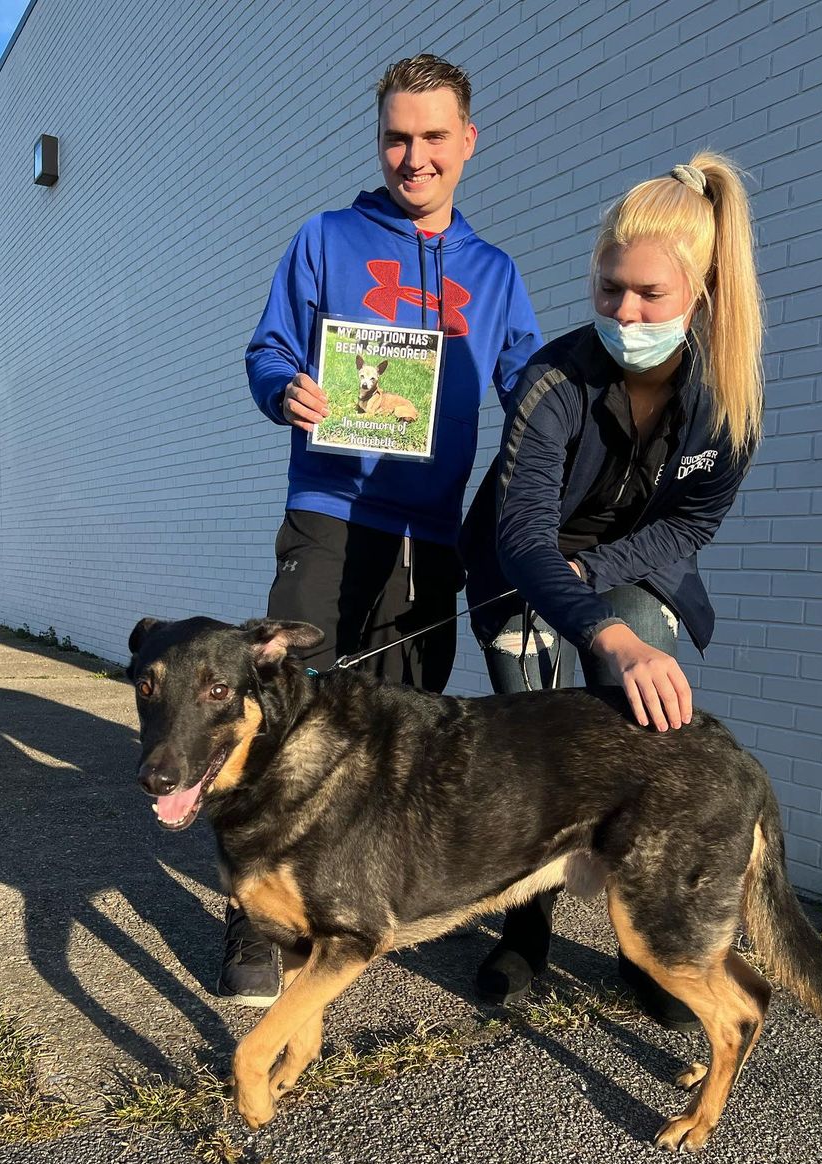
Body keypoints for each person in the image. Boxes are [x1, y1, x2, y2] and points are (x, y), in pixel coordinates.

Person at [223, 53, 543, 1004]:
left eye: (434, 137)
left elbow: (531, 390)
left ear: (468, 142)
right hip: (330, 511)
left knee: (403, 717)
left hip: (431, 533)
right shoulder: (325, 240)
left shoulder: (493, 273)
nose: (415, 157)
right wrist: (286, 387)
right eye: (397, 137)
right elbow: (268, 345)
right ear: (381, 139)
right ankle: (251, 916)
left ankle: (358, 905)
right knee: (288, 703)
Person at [460, 152, 764, 1021]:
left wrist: (605, 592)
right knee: (532, 741)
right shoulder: (552, 382)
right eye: (607, 289)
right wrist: (591, 618)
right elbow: (522, 535)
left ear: (699, 297)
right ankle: (526, 930)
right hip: (520, 565)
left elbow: (689, 525)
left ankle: (654, 937)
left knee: (644, 722)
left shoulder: (729, 395)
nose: (624, 313)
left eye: (648, 296)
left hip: (635, 565)